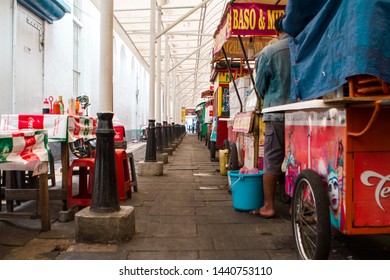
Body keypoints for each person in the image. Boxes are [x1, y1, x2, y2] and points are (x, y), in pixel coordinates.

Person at [251, 16, 292, 218]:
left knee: (272, 161)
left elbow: (260, 87)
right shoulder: (306, 47)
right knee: (299, 161)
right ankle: (299, 205)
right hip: (303, 116)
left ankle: (268, 206)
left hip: (275, 114)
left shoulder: (269, 52)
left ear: (276, 32)